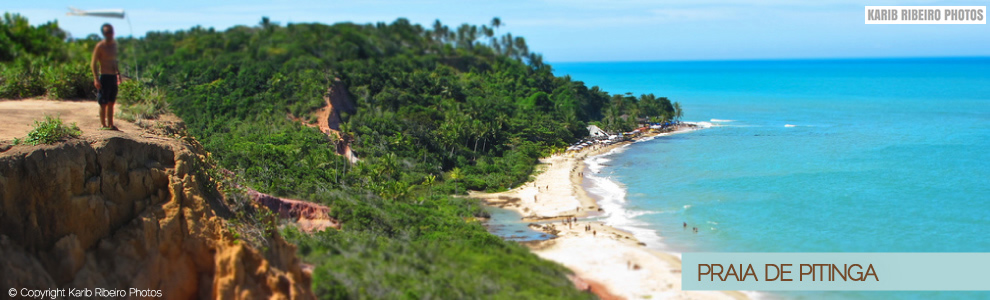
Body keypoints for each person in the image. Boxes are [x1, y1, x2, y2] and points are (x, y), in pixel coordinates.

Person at [91, 23, 121, 130]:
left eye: (111, 31)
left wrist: (118, 74)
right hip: (104, 76)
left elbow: (114, 61)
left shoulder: (114, 46)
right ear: (104, 34)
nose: (110, 34)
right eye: (107, 32)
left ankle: (111, 124)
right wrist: (96, 79)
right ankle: (103, 125)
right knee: (103, 102)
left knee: (111, 102)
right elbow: (93, 63)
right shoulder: (100, 46)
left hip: (113, 76)